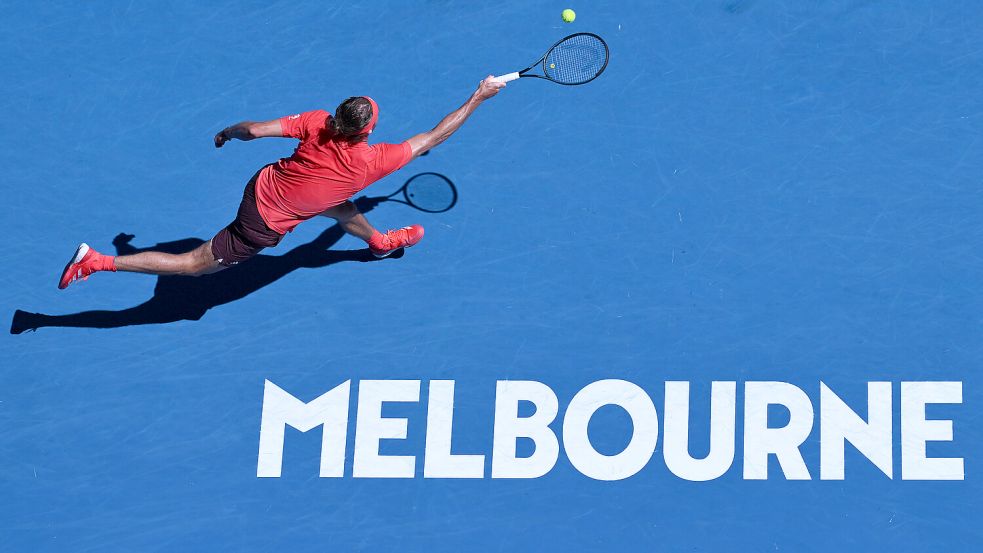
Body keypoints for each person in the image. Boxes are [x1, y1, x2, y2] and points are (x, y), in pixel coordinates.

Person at [57, 76, 505, 289]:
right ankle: (98, 262)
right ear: (365, 131)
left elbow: (252, 131)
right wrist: (478, 97)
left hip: (263, 184)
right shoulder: (374, 161)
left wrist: (225, 133)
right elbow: (436, 134)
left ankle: (378, 241)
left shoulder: (316, 122)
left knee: (336, 202)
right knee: (194, 264)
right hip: (262, 222)